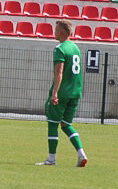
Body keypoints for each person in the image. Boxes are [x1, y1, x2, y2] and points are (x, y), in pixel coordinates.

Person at [36, 20, 88, 167]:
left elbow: (59, 72)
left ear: (61, 32)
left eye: (56, 29)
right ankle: (81, 153)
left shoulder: (60, 49)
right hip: (75, 93)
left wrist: (55, 93)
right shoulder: (76, 48)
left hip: (63, 93)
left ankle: (51, 159)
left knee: (53, 124)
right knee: (66, 124)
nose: (54, 32)